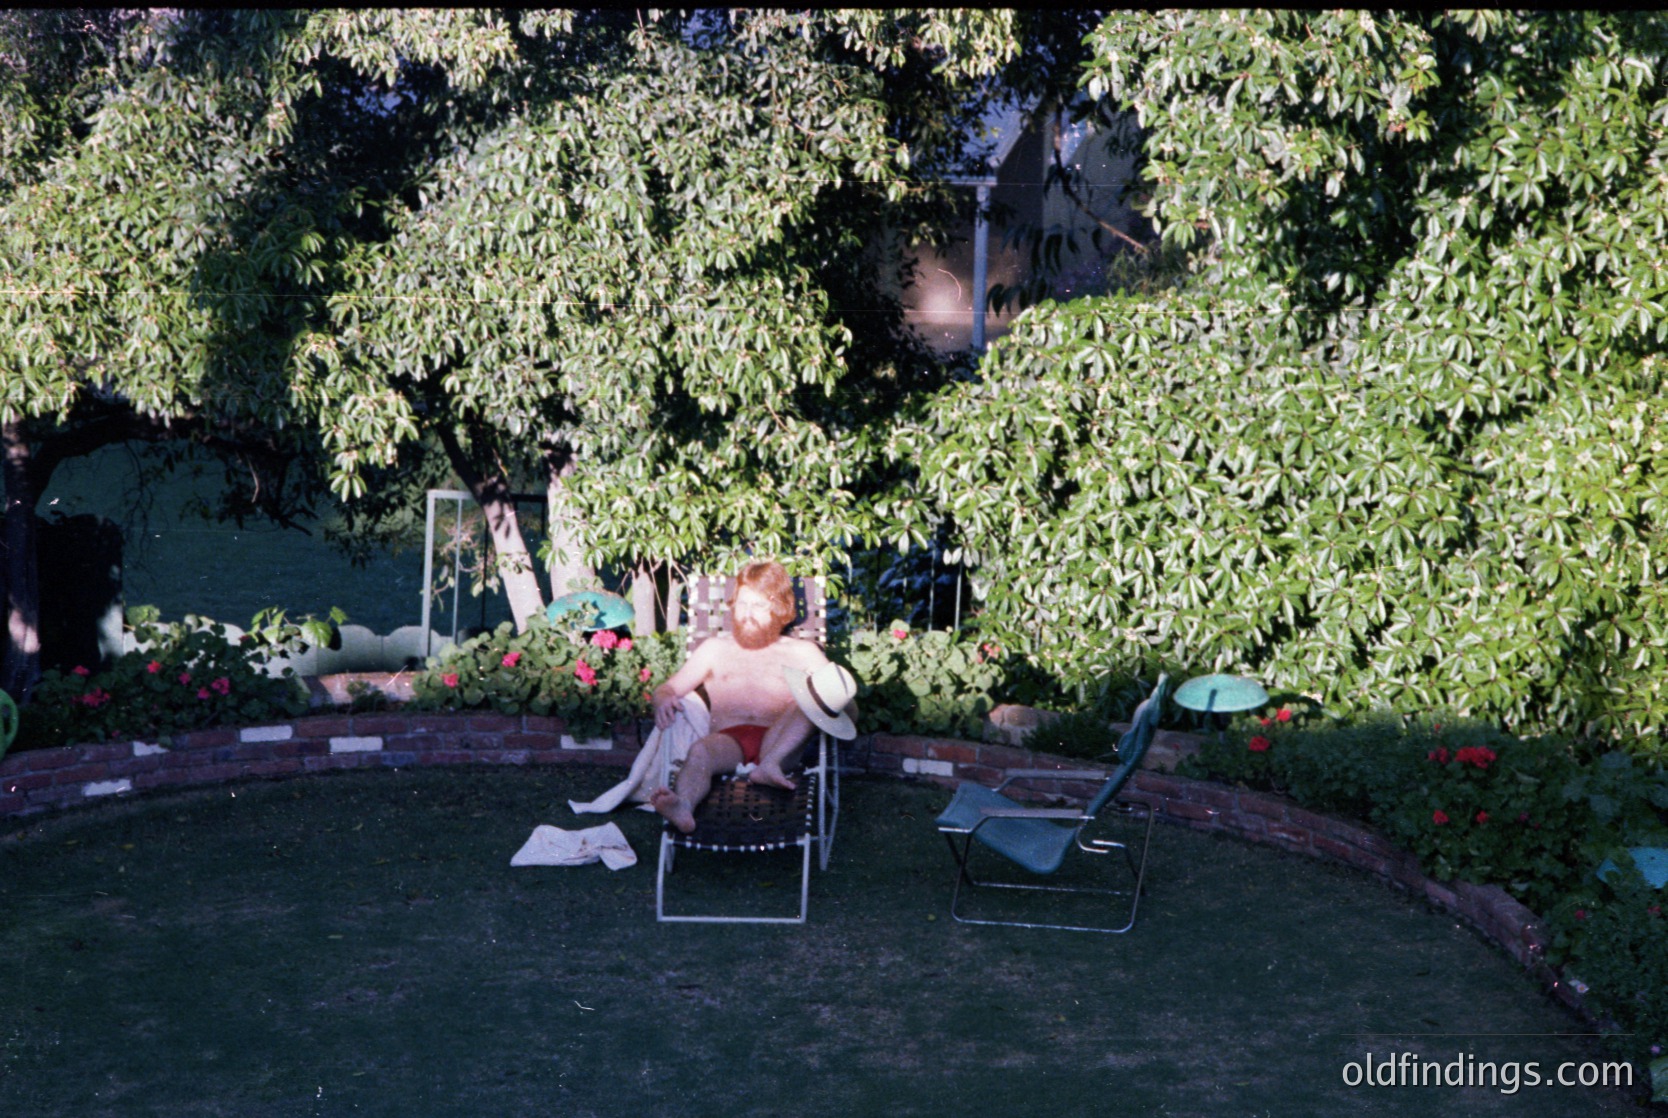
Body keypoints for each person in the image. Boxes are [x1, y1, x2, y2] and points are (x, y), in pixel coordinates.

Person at [648, 560, 856, 834]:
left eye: (759, 605)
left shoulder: (802, 652)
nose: (747, 614)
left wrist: (833, 702)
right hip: (729, 739)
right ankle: (684, 806)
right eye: (743, 604)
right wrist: (662, 699)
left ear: (780, 609)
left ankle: (770, 764)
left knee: (809, 701)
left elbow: (846, 706)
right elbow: (668, 689)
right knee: (701, 751)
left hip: (780, 740)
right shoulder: (714, 649)